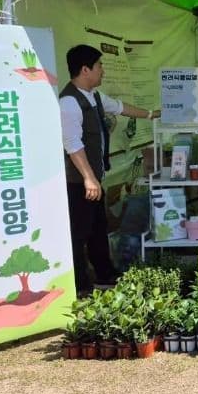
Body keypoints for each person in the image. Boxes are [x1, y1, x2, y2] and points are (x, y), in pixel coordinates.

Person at [60, 44, 159, 296]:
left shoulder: (94, 96)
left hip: (93, 178)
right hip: (78, 182)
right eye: (99, 66)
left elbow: (120, 107)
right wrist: (89, 178)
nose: (102, 71)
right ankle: (79, 286)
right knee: (78, 233)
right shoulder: (69, 102)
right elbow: (72, 145)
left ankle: (104, 275)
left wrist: (151, 114)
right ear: (85, 69)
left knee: (97, 230)